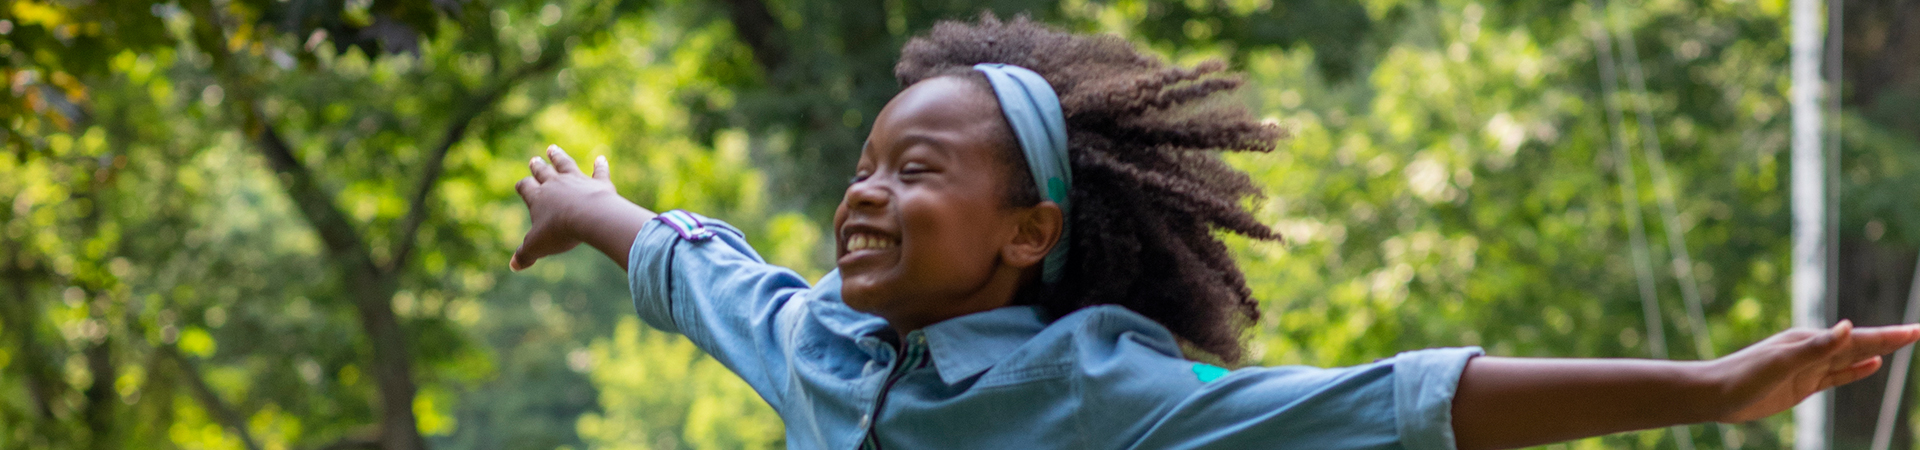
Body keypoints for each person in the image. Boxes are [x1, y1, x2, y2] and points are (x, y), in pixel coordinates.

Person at [507, 15, 1920, 450]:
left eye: (916, 171)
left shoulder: (1099, 392)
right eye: (865, 166)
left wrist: (1710, 386)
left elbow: (1393, 401)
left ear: (1025, 234)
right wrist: (583, 209)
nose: (864, 193)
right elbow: (699, 270)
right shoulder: (818, 336)